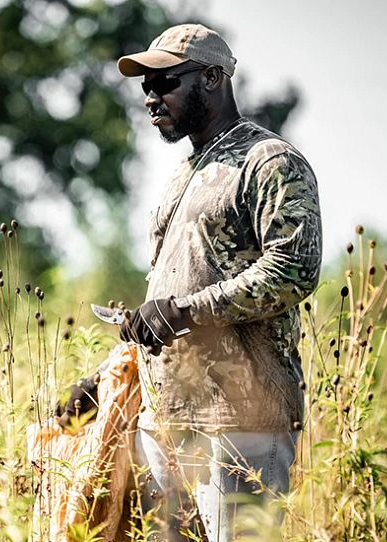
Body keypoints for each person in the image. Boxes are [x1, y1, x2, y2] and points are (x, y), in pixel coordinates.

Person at [114, 24, 322, 540]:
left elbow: (293, 270)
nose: (149, 96)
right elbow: (159, 299)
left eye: (164, 82)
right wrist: (104, 382)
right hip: (166, 425)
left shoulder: (270, 162)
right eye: (144, 86)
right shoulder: (179, 178)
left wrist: (185, 310)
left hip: (241, 423)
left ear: (212, 78)